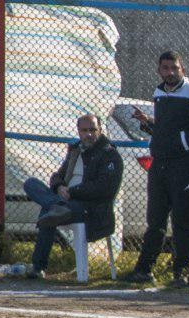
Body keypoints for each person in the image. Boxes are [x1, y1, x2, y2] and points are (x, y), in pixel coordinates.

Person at [125, 51, 189, 287]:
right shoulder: (159, 93)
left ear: (182, 70)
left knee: (182, 221)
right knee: (155, 220)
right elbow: (167, 130)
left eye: (174, 68)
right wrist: (150, 124)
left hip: (185, 167)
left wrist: (185, 144)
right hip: (160, 165)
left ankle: (182, 272)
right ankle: (144, 269)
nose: (170, 72)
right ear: (159, 70)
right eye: (165, 68)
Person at [22, 115, 124, 279]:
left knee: (48, 212)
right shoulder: (75, 151)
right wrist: (59, 187)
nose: (88, 134)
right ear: (78, 131)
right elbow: (57, 176)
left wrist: (73, 192)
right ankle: (57, 206)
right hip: (66, 201)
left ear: (100, 130)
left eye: (92, 130)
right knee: (31, 183)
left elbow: (104, 189)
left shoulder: (109, 155)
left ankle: (38, 267)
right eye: (84, 130)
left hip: (89, 207)